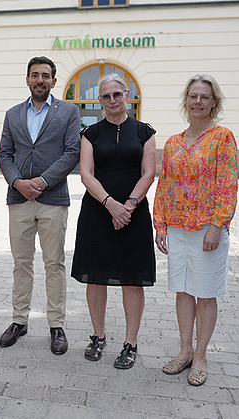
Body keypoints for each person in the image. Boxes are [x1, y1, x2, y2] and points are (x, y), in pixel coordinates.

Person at [153, 74, 238, 386]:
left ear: (214, 102)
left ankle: (201, 355)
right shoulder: (173, 142)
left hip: (207, 230)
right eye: (192, 96)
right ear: (185, 101)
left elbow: (227, 186)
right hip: (177, 229)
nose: (197, 102)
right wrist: (160, 224)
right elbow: (165, 186)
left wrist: (216, 226)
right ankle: (184, 351)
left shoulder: (222, 137)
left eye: (204, 97)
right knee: (183, 290)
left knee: (205, 293)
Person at [71, 73, 156, 369]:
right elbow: (86, 174)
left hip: (134, 213)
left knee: (133, 279)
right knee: (96, 277)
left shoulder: (144, 131)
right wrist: (110, 205)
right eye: (105, 96)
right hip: (98, 212)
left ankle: (130, 343)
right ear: (100, 101)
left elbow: (149, 173)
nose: (112, 101)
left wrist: (128, 206)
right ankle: (98, 335)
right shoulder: (90, 133)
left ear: (127, 94)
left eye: (116, 95)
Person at [0, 56, 80, 355]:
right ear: (28, 79)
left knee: (54, 264)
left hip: (52, 199)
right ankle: (19, 321)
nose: (40, 80)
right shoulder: (13, 113)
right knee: (21, 264)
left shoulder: (69, 111)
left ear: (54, 81)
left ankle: (56, 325)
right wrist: (18, 183)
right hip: (19, 199)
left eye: (46, 75)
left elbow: (73, 153)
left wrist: (42, 182)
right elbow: (4, 154)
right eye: (35, 75)